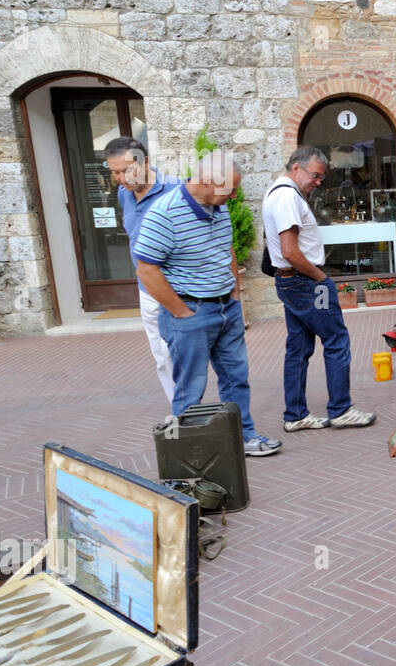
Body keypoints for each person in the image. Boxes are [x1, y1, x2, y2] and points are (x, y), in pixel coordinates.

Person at [134, 151, 282, 457]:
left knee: (236, 378)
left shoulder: (219, 205)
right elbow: (146, 269)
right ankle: (187, 453)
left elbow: (226, 245)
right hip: (191, 312)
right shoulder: (164, 213)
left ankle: (242, 437)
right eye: (230, 189)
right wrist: (181, 312)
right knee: (190, 387)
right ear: (203, 181)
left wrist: (235, 294)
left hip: (226, 308)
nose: (235, 195)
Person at [262, 146, 376, 432]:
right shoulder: (288, 196)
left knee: (298, 347)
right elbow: (289, 250)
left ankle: (296, 414)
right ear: (296, 167)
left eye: (321, 177)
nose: (318, 182)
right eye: (315, 175)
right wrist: (320, 278)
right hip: (305, 282)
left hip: (293, 281)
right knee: (336, 339)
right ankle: (340, 409)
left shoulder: (280, 191)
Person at [104, 137, 181, 405]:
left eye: (126, 170)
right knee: (162, 356)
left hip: (178, 288)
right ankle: (182, 413)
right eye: (114, 172)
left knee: (190, 355)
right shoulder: (124, 193)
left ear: (145, 162)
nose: (120, 178)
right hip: (147, 291)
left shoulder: (176, 191)